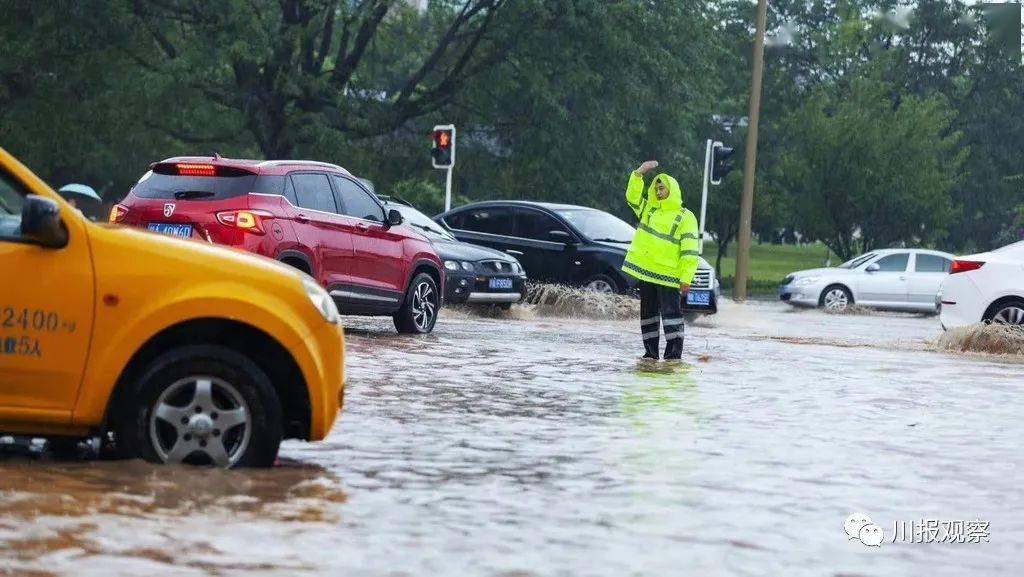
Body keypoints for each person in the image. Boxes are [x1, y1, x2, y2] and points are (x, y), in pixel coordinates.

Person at [622, 160, 700, 360]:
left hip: (669, 276)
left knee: (671, 316)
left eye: (662, 188)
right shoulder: (649, 209)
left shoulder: (685, 217)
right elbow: (632, 198)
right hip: (647, 273)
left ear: (671, 190)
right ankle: (650, 355)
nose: (658, 191)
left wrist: (686, 278)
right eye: (656, 188)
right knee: (647, 316)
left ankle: (673, 357)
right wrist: (639, 173)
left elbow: (690, 251)